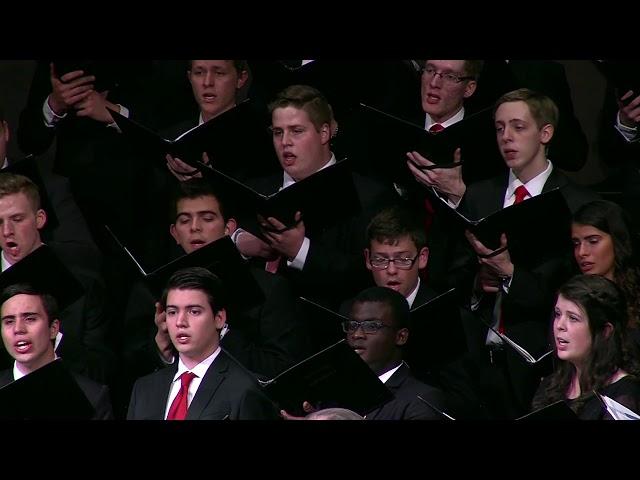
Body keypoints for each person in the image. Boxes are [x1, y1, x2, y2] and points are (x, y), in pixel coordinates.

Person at [447, 88, 598, 418]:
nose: (506, 138)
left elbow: (575, 287)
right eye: (500, 128)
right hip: (479, 363)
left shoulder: (577, 204)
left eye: (518, 127)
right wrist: (478, 280)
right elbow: (453, 273)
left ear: (545, 133)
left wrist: (511, 274)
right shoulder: (480, 195)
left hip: (540, 364)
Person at [122, 177, 306, 398]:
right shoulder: (150, 292)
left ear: (229, 228)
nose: (195, 227)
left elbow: (282, 370)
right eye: (184, 220)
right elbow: (127, 370)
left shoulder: (270, 289)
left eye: (207, 218)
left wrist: (221, 332)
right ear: (174, 233)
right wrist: (162, 350)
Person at [233, 84, 395, 308]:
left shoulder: (370, 196)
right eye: (278, 132)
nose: (285, 142)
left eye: (296, 131)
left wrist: (300, 250)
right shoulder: (252, 190)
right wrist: (238, 244)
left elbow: (367, 276)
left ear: (324, 133)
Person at [0, 173, 115, 383]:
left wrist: (53, 336)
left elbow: (100, 371)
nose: (7, 231)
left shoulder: (83, 282)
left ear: (39, 219)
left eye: (17, 219)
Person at [127, 267, 279, 420]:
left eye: (194, 311)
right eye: (173, 312)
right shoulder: (143, 389)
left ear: (219, 318)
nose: (180, 322)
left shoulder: (246, 389)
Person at [531, 274, 640, 419]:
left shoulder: (624, 394)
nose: (559, 325)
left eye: (573, 318)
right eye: (558, 314)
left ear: (605, 331)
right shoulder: (550, 386)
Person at [0, 283, 113, 419]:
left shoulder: (92, 396)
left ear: (53, 329)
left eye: (30, 319)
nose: (18, 329)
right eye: (9, 321)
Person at [345, 286, 447, 420]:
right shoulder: (335, 391)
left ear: (401, 336)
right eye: (352, 325)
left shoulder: (422, 399)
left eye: (371, 326)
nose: (357, 334)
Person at [571, 200, 640, 335]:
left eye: (593, 241)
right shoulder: (572, 297)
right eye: (576, 243)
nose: (581, 252)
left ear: (617, 240)